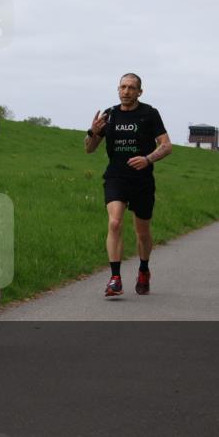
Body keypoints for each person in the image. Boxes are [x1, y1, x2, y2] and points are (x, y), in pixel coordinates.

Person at [84, 73, 172, 297]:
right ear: (118, 89)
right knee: (114, 223)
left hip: (142, 179)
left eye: (131, 88)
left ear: (139, 92)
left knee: (142, 232)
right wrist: (93, 132)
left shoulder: (149, 114)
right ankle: (115, 278)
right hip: (116, 176)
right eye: (123, 87)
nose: (126, 91)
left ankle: (143, 269)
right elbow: (89, 148)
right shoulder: (110, 115)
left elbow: (166, 145)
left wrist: (148, 159)